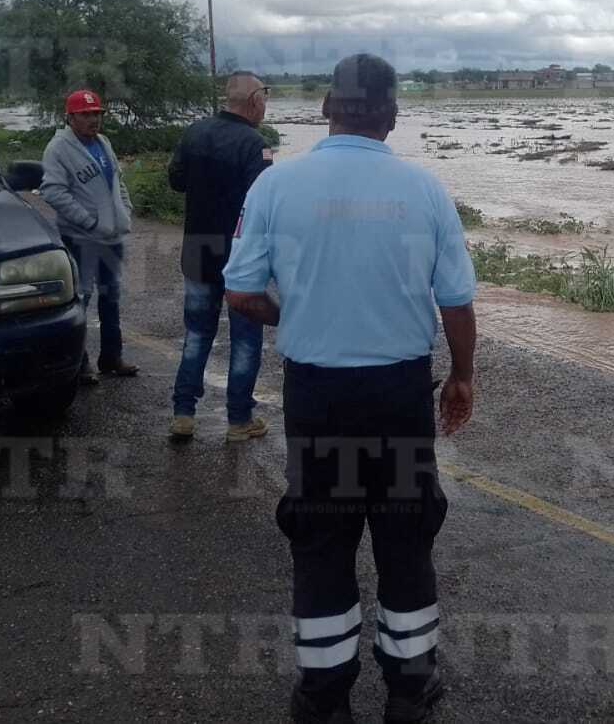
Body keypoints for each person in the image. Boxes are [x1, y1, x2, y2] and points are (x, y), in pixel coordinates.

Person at [223, 53, 476, 724]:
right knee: (405, 535)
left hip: (317, 398)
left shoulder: (275, 187)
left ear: (327, 109)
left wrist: (295, 312)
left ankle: (324, 696)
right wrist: (463, 374)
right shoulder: (424, 191)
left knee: (322, 539)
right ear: (390, 117)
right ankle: (409, 690)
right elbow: (454, 301)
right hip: (397, 396)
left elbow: (242, 292)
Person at [166, 72, 273, 441]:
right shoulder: (255, 144)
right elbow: (264, 205)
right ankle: (238, 419)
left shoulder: (194, 132)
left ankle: (183, 413)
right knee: (244, 340)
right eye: (266, 97)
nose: (266, 105)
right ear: (254, 100)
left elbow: (176, 180)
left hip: (197, 250)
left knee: (196, 334)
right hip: (240, 258)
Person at [39, 88, 138, 384]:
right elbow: (52, 191)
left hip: (112, 236)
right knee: (80, 298)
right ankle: (80, 363)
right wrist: (89, 222)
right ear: (70, 117)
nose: (94, 119)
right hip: (80, 238)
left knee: (111, 297)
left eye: (97, 114)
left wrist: (125, 211)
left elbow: (117, 181)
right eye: (86, 114)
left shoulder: (103, 142)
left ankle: (111, 357)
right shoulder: (58, 149)